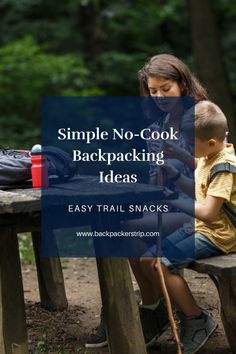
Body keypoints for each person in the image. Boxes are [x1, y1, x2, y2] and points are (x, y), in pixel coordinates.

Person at [85, 53, 209, 348]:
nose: (160, 97)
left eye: (166, 89)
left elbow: (214, 174)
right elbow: (156, 184)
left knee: (132, 230)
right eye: (153, 92)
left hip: (203, 207)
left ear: (183, 83)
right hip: (174, 203)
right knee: (120, 226)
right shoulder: (158, 127)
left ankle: (187, 315)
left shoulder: (203, 118)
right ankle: (153, 308)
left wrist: (179, 156)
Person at [140, 100, 236, 353]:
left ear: (212, 143)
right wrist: (173, 174)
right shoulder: (208, 156)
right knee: (146, 261)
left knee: (160, 263)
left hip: (222, 235)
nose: (187, 148)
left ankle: (196, 320)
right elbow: (194, 186)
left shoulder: (224, 167)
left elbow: (207, 212)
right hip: (204, 228)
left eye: (190, 144)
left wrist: (173, 199)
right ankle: (180, 313)